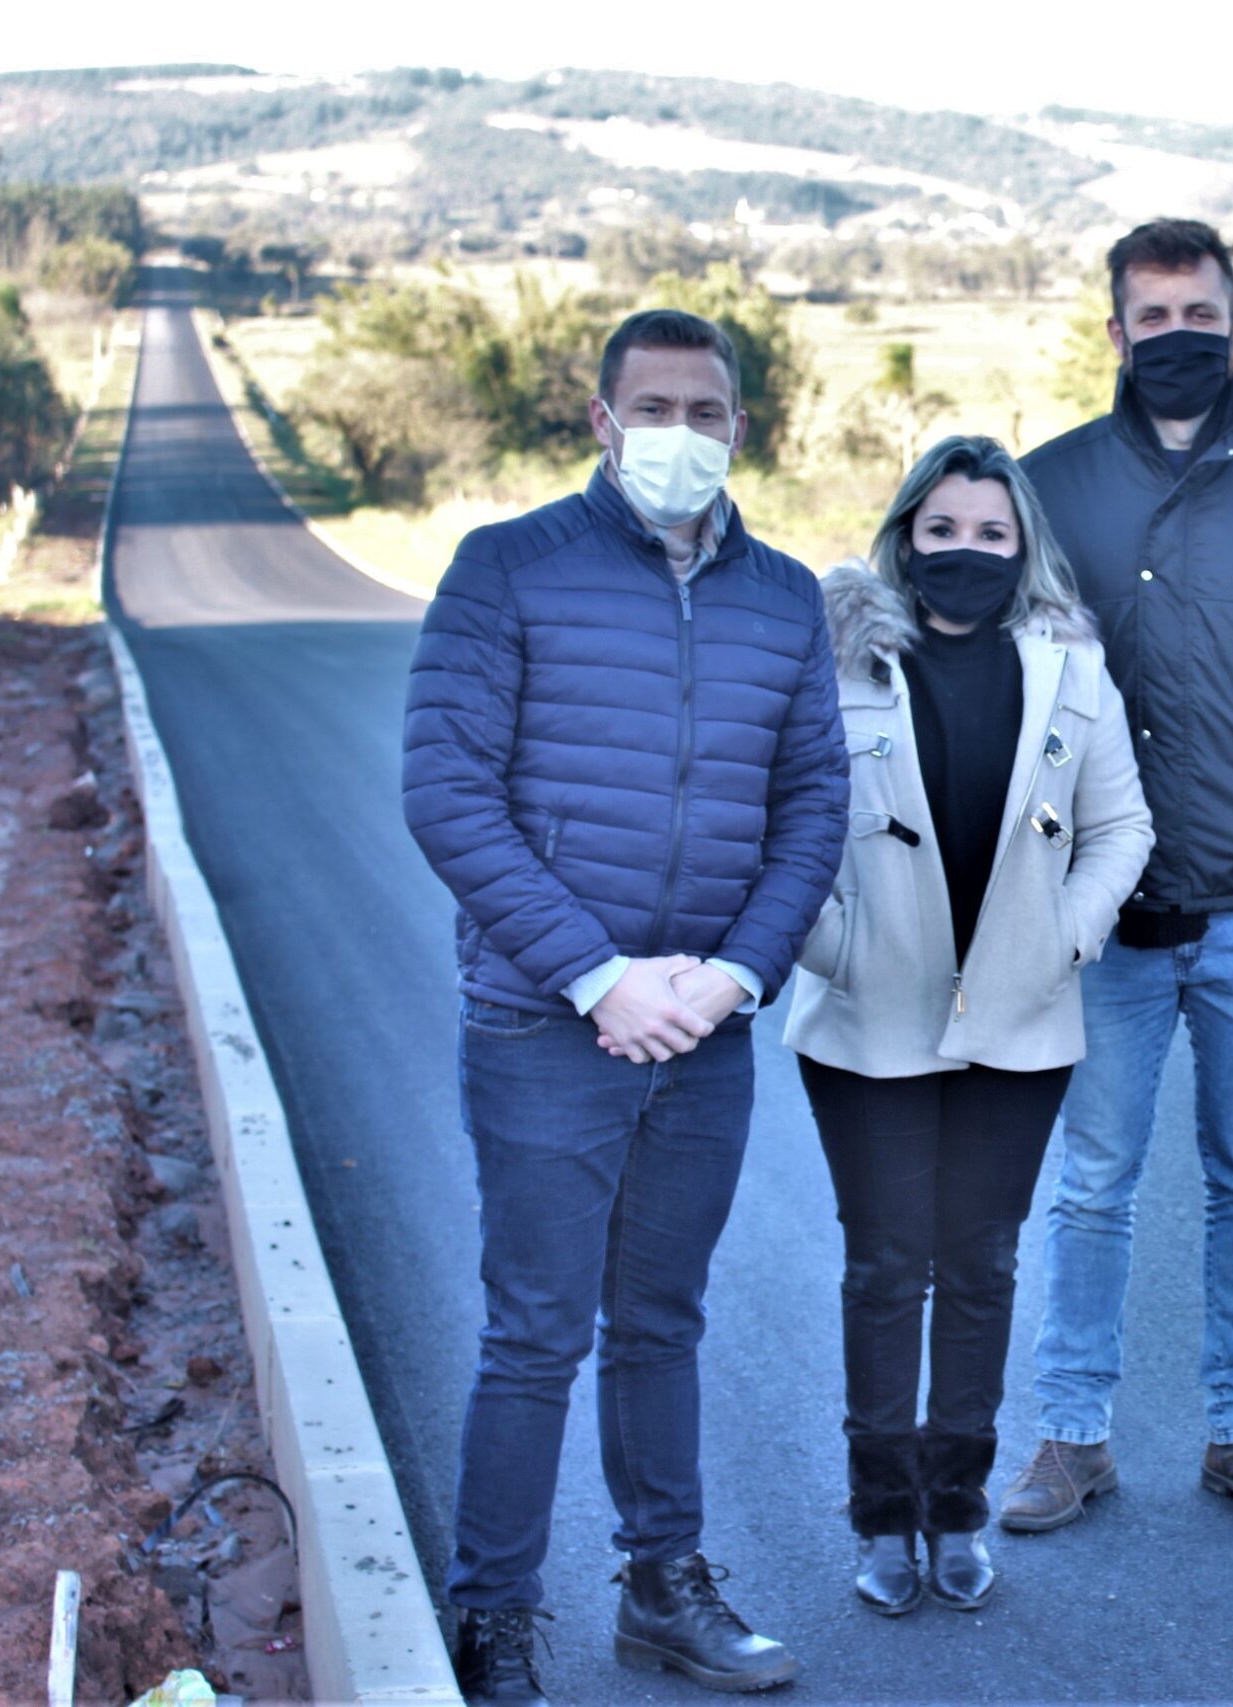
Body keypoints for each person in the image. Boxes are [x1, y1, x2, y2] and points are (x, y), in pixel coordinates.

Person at [402, 308, 847, 1703]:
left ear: (739, 426)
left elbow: (813, 804)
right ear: (600, 421)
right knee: (535, 1328)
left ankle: (665, 1588)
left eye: (702, 409)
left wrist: (732, 974)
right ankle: (492, 1619)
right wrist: (597, 973)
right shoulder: (505, 568)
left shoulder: (782, 596)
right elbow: (446, 792)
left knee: (663, 1319)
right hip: (547, 1022)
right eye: (649, 407)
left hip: (705, 1027)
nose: (678, 433)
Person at [999, 218, 1233, 1533]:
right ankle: (1071, 1435)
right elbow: (986, 677)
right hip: (1104, 915)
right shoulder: (1041, 488)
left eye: (1198, 314)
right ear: (1113, 333)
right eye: (1151, 318)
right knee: (1092, 1176)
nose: (1176, 338)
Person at [785, 436, 1152, 1615]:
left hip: (1021, 1022)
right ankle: (882, 1519)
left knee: (982, 1266)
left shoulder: (1069, 669)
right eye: (942, 531)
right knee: (889, 1268)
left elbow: (1121, 831)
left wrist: (1067, 940)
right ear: (906, 537)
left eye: (990, 534)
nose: (964, 552)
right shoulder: (833, 660)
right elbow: (776, 826)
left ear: (1022, 545)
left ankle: (956, 1511)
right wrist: (831, 947)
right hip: (865, 1018)